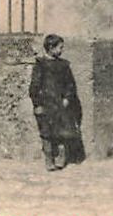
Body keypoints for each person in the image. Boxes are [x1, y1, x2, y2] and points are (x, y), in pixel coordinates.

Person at [28, 33, 84, 171]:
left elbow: (70, 85)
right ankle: (49, 159)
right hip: (46, 104)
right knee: (46, 133)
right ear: (51, 48)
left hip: (60, 104)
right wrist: (38, 104)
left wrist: (67, 98)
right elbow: (34, 87)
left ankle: (61, 157)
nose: (61, 50)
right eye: (60, 47)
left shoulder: (64, 66)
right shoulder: (40, 66)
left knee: (62, 132)